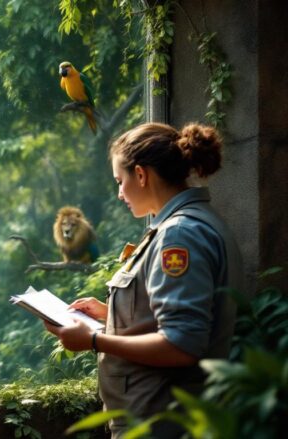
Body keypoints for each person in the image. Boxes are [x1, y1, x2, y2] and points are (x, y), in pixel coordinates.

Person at [44, 122, 244, 438]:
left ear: (141, 175)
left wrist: (93, 340)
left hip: (160, 423)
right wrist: (110, 315)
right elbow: (177, 318)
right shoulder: (198, 223)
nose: (119, 192)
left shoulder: (179, 235)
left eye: (120, 181)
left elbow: (182, 344)